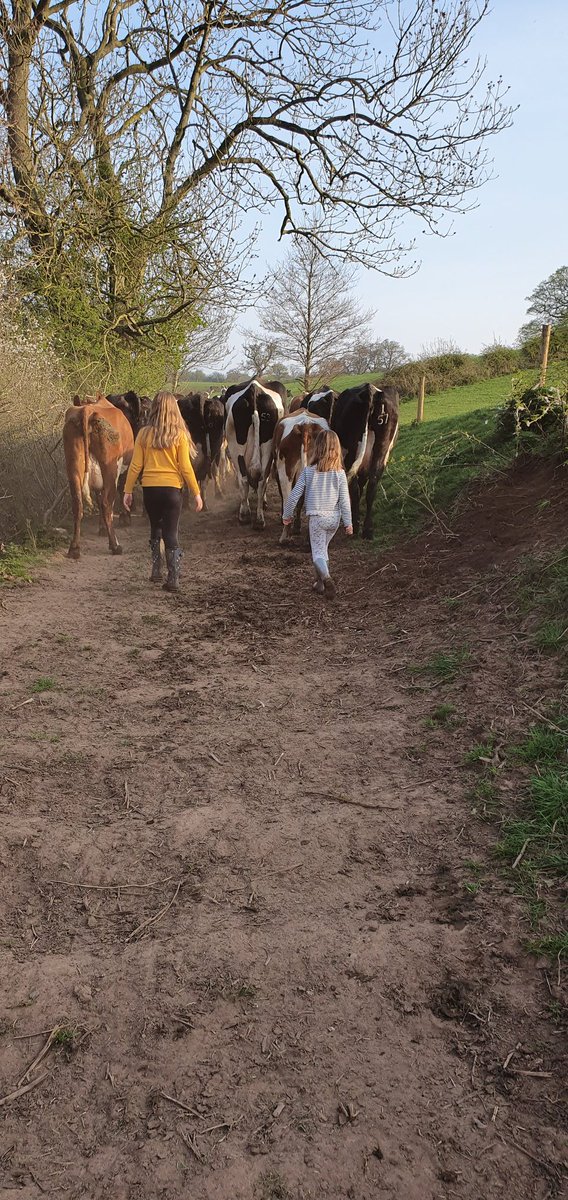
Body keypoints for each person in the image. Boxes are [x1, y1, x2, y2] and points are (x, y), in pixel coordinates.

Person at [123, 391, 203, 593]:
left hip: (150, 489)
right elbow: (185, 467)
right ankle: (173, 578)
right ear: (174, 409)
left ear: (155, 408)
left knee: (155, 527)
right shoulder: (180, 435)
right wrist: (196, 492)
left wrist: (128, 490)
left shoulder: (143, 433)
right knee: (171, 531)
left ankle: (155, 570)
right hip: (172, 490)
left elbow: (135, 466)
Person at [282, 429, 353, 599]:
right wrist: (348, 523)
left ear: (317, 449)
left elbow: (294, 495)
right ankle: (320, 584)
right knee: (323, 549)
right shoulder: (340, 474)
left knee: (317, 554)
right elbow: (345, 501)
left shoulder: (308, 472)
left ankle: (327, 579)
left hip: (317, 519)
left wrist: (287, 515)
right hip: (334, 519)